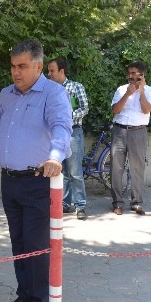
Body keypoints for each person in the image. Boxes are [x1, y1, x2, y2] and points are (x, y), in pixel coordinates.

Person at [0, 39, 72, 302]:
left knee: (37, 248)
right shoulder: (7, 94)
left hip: (38, 182)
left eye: (22, 66)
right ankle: (24, 296)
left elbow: (63, 127)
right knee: (18, 243)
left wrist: (55, 156)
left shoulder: (53, 94)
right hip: (9, 181)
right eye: (13, 66)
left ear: (38, 66)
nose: (16, 72)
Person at [110, 61, 151, 215]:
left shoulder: (150, 91)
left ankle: (137, 203)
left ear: (142, 75)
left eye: (134, 73)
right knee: (116, 169)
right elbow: (115, 110)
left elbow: (146, 110)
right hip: (120, 131)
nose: (131, 76)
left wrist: (140, 91)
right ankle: (117, 203)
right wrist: (128, 94)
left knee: (137, 168)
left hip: (138, 132)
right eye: (129, 73)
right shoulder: (121, 89)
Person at [47, 57, 89, 220]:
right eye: (48, 71)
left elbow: (84, 108)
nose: (49, 74)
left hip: (73, 133)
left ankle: (80, 206)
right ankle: (65, 204)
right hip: (56, 135)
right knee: (61, 171)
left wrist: (67, 117)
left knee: (75, 172)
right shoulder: (49, 90)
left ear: (61, 71)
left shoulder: (75, 87)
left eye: (52, 71)